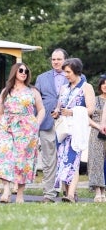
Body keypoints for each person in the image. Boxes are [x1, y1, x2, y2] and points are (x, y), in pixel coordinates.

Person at [0, 63, 45, 203]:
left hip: (26, 129)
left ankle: (20, 195)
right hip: (6, 126)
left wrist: (35, 124)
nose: (24, 73)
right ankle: (6, 190)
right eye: (21, 70)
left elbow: (41, 110)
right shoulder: (6, 91)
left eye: (26, 71)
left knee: (22, 161)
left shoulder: (32, 91)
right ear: (14, 72)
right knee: (5, 157)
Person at [51, 58, 95, 203]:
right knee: (63, 160)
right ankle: (67, 191)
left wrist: (73, 112)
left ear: (76, 71)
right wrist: (57, 112)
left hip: (76, 129)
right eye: (64, 72)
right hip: (63, 129)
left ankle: (70, 194)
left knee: (73, 160)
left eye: (68, 72)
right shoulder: (64, 88)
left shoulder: (86, 87)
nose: (66, 75)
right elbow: (59, 105)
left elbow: (91, 109)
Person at [35, 48, 69, 203]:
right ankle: (48, 194)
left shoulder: (75, 76)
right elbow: (36, 102)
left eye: (59, 59)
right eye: (53, 59)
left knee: (67, 157)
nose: (55, 62)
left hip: (67, 123)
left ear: (65, 60)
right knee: (49, 160)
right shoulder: (42, 78)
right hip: (47, 123)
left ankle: (68, 192)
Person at [88, 75, 106, 202]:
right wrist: (98, 126)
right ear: (100, 85)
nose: (105, 85)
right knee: (96, 161)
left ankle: (104, 191)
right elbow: (86, 117)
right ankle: (98, 191)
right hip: (96, 132)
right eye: (103, 83)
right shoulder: (94, 100)